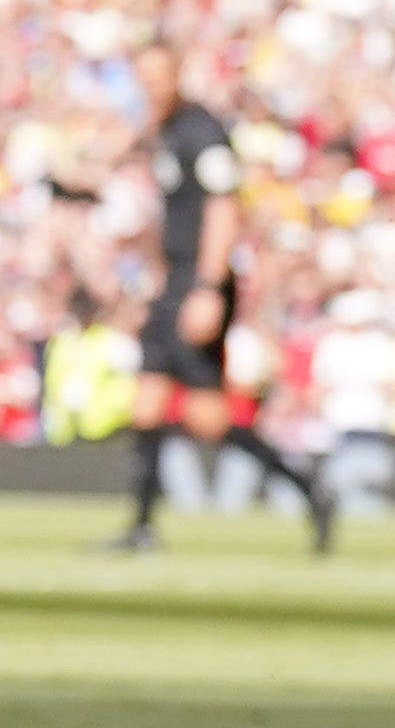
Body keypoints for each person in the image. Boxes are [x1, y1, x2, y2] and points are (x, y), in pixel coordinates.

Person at [109, 44, 331, 552]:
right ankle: (142, 528)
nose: (151, 87)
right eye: (143, 77)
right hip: (175, 286)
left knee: (209, 419)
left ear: (176, 75)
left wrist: (207, 287)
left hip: (199, 284)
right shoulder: (164, 133)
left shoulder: (201, 131)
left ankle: (309, 489)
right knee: (146, 408)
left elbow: (223, 208)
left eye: (158, 76)